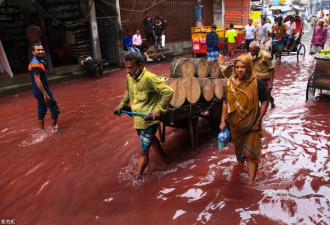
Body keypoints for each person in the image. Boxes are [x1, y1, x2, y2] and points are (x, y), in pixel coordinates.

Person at [114, 52, 173, 179]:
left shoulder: (149, 78)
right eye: (127, 67)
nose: (128, 71)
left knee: (143, 151)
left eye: (131, 67)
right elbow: (128, 92)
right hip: (138, 119)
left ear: (140, 66)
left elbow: (168, 91)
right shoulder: (130, 77)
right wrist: (122, 104)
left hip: (148, 121)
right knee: (152, 140)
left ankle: (138, 178)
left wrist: (157, 110)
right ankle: (165, 158)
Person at [219, 54, 269, 185]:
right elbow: (225, 103)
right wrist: (223, 121)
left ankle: (250, 182)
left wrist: (258, 122)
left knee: (252, 153)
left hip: (253, 125)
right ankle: (241, 170)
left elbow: (265, 102)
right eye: (237, 67)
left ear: (248, 68)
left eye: (243, 67)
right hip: (235, 125)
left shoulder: (256, 82)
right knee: (239, 152)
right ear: (234, 69)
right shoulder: (229, 83)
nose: (240, 70)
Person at [29, 43, 60, 132]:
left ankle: (42, 130)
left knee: (41, 109)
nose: (41, 51)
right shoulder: (36, 64)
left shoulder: (37, 61)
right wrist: (45, 93)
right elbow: (37, 80)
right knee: (55, 110)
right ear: (33, 52)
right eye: (38, 50)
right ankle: (53, 130)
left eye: (42, 49)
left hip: (37, 92)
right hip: (43, 92)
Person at [248, 41, 275, 109]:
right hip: (255, 79)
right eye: (250, 50)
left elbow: (272, 69)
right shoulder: (248, 56)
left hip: (265, 78)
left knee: (267, 95)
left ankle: (272, 103)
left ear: (258, 49)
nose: (252, 52)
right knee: (254, 96)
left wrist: (270, 83)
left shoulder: (265, 56)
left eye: (253, 51)